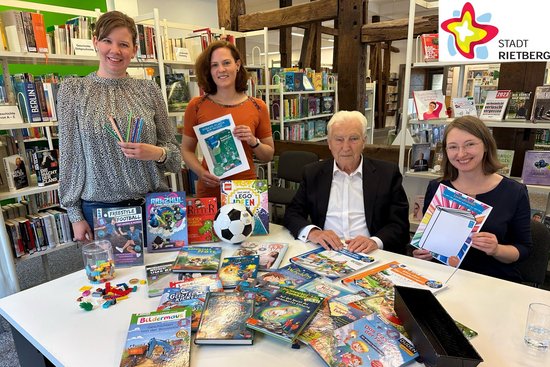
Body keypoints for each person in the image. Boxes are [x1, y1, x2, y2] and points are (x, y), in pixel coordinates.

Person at [58, 11, 181, 241]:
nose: (115, 50)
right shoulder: (73, 91)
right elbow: (70, 158)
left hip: (154, 206)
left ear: (134, 49)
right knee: (114, 277)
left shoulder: (149, 90)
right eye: (107, 41)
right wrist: (74, 214)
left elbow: (174, 159)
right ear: (95, 42)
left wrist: (157, 153)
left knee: (164, 274)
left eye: (123, 44)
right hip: (100, 210)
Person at [413, 116, 532, 282]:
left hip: (492, 280)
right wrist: (423, 251)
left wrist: (496, 249)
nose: (461, 154)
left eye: (470, 144)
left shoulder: (514, 192)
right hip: (443, 278)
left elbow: (523, 249)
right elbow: (429, 239)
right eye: (453, 147)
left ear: (485, 145)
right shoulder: (437, 187)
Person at [283, 110, 410, 255]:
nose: (346, 147)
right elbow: (292, 214)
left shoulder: (387, 174)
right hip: (326, 252)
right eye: (339, 139)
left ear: (364, 141)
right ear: (329, 143)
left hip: (371, 254)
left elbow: (400, 225)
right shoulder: (313, 173)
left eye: (353, 139)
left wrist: (375, 241)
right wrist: (313, 232)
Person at [181, 41, 274, 199]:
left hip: (245, 190)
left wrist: (253, 141)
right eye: (214, 65)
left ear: (237, 65)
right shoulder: (196, 105)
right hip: (211, 189)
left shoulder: (258, 106)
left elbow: (268, 155)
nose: (221, 70)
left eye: (226, 63)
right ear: (209, 70)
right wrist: (201, 173)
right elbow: (186, 150)